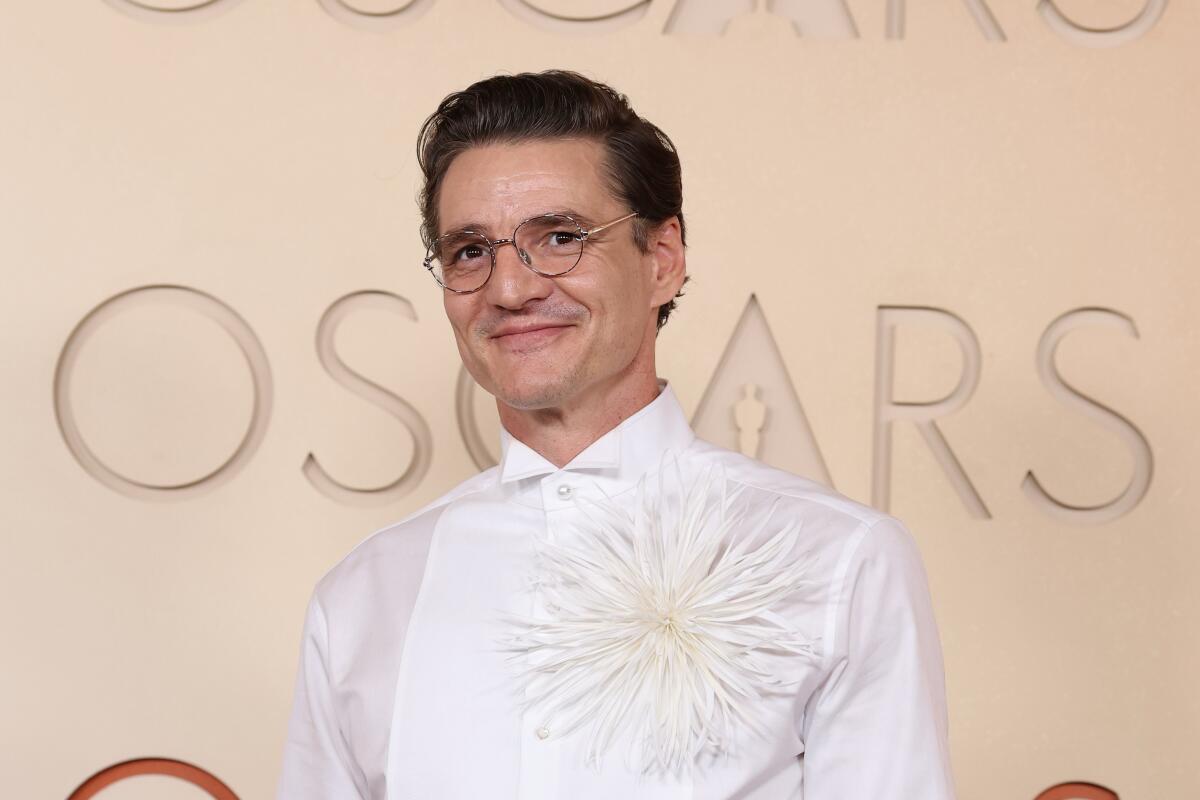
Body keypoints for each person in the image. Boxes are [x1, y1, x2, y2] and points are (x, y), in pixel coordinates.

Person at [276, 69, 956, 799]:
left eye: (561, 237)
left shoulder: (840, 564)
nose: (511, 288)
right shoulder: (360, 599)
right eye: (471, 251)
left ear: (662, 261)